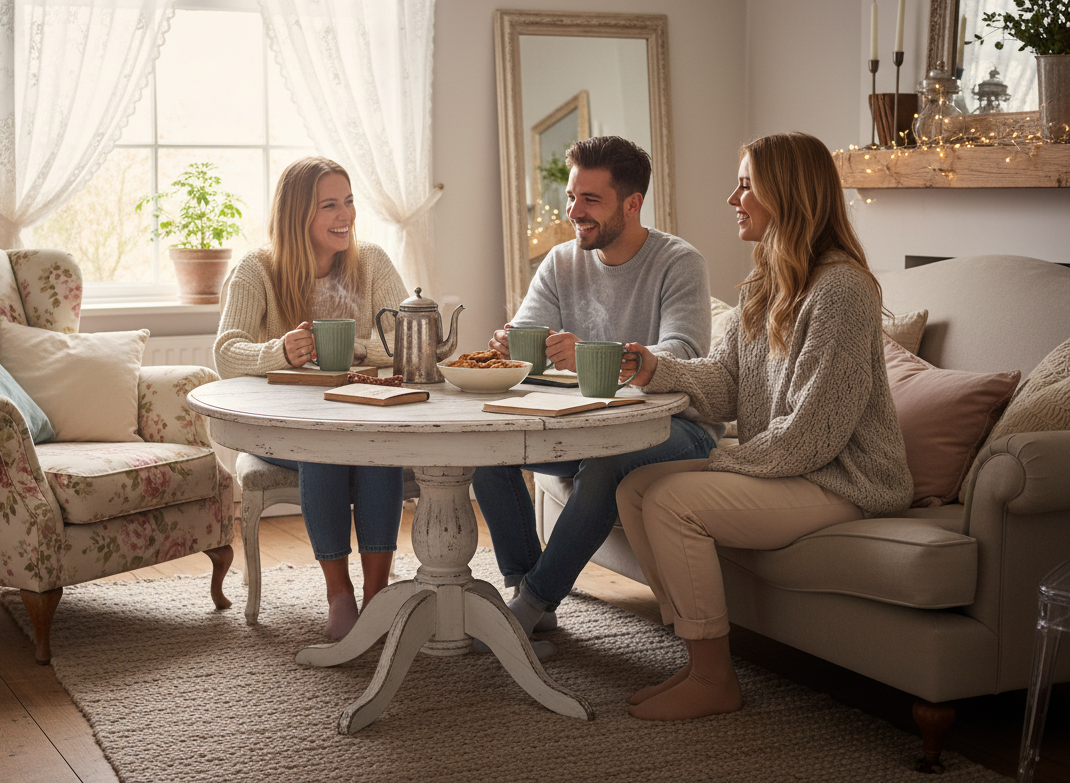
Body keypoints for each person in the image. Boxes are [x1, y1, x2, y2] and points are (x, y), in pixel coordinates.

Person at [614, 132, 914, 721]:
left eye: (747, 184)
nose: (733, 196)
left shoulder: (842, 290)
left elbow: (813, 433)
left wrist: (718, 462)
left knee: (672, 500)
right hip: (792, 466)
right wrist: (653, 367)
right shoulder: (767, 285)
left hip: (844, 479)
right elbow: (726, 385)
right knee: (635, 487)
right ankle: (696, 655)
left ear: (789, 194)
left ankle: (714, 680)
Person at [471, 135, 720, 652]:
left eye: (590, 200)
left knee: (610, 461)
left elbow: (684, 353)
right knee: (485, 446)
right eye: (571, 196)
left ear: (633, 204)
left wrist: (587, 351)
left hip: (678, 429)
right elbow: (529, 338)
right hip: (586, 423)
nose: (573, 211)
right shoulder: (562, 262)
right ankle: (522, 588)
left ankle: (533, 603)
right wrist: (512, 343)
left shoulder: (679, 262)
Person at [214, 156, 409, 641]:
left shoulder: (374, 263)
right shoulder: (255, 270)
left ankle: (379, 593)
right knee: (322, 448)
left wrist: (358, 346)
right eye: (329, 205)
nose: (345, 215)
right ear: (298, 214)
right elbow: (225, 351)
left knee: (374, 450)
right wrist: (278, 350)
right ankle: (339, 593)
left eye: (348, 202)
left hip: (362, 421)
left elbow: (410, 339)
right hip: (283, 428)